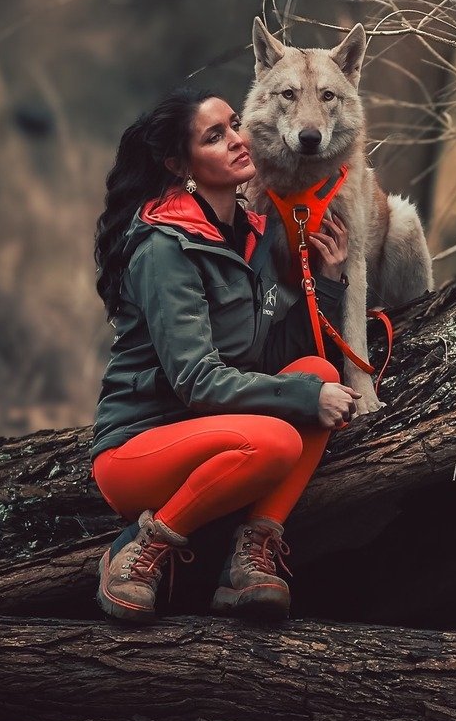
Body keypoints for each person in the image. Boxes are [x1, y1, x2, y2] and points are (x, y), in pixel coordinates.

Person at [87, 87, 357, 624]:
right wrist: (304, 397)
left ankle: (250, 557)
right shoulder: (165, 248)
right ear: (178, 165)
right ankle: (141, 547)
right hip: (141, 450)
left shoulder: (246, 236)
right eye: (215, 137)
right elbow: (199, 381)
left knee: (317, 370)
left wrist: (324, 285)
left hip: (221, 436)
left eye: (234, 124)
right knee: (285, 428)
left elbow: (266, 357)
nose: (238, 140)